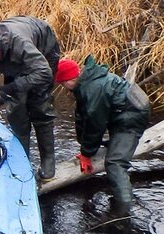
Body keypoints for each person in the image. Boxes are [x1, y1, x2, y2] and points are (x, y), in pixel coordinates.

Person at [0, 16, 62, 179]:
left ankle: (48, 161)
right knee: (15, 112)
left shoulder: (20, 44)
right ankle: (22, 160)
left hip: (42, 55)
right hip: (13, 63)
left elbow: (44, 73)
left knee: (40, 107)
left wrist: (10, 88)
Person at [54, 56, 151, 203]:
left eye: (61, 83)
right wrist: (84, 147)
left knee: (114, 163)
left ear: (67, 81)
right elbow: (83, 117)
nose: (63, 87)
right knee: (112, 147)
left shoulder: (93, 89)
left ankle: (124, 212)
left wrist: (87, 154)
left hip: (132, 116)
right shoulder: (87, 81)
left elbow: (95, 124)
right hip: (121, 110)